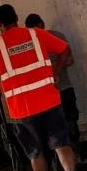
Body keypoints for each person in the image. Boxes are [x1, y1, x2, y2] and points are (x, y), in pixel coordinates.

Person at [0, 4, 83, 171]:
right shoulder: (36, 35)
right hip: (48, 99)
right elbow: (63, 48)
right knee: (61, 143)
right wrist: (56, 70)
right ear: (17, 18)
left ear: (0, 25)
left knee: (35, 151)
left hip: (21, 109)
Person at [26, 12, 80, 148]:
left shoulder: (56, 37)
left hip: (63, 87)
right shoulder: (29, 45)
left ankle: (76, 152)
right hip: (47, 93)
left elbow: (70, 59)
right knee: (54, 128)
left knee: (71, 121)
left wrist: (54, 67)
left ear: (42, 25)